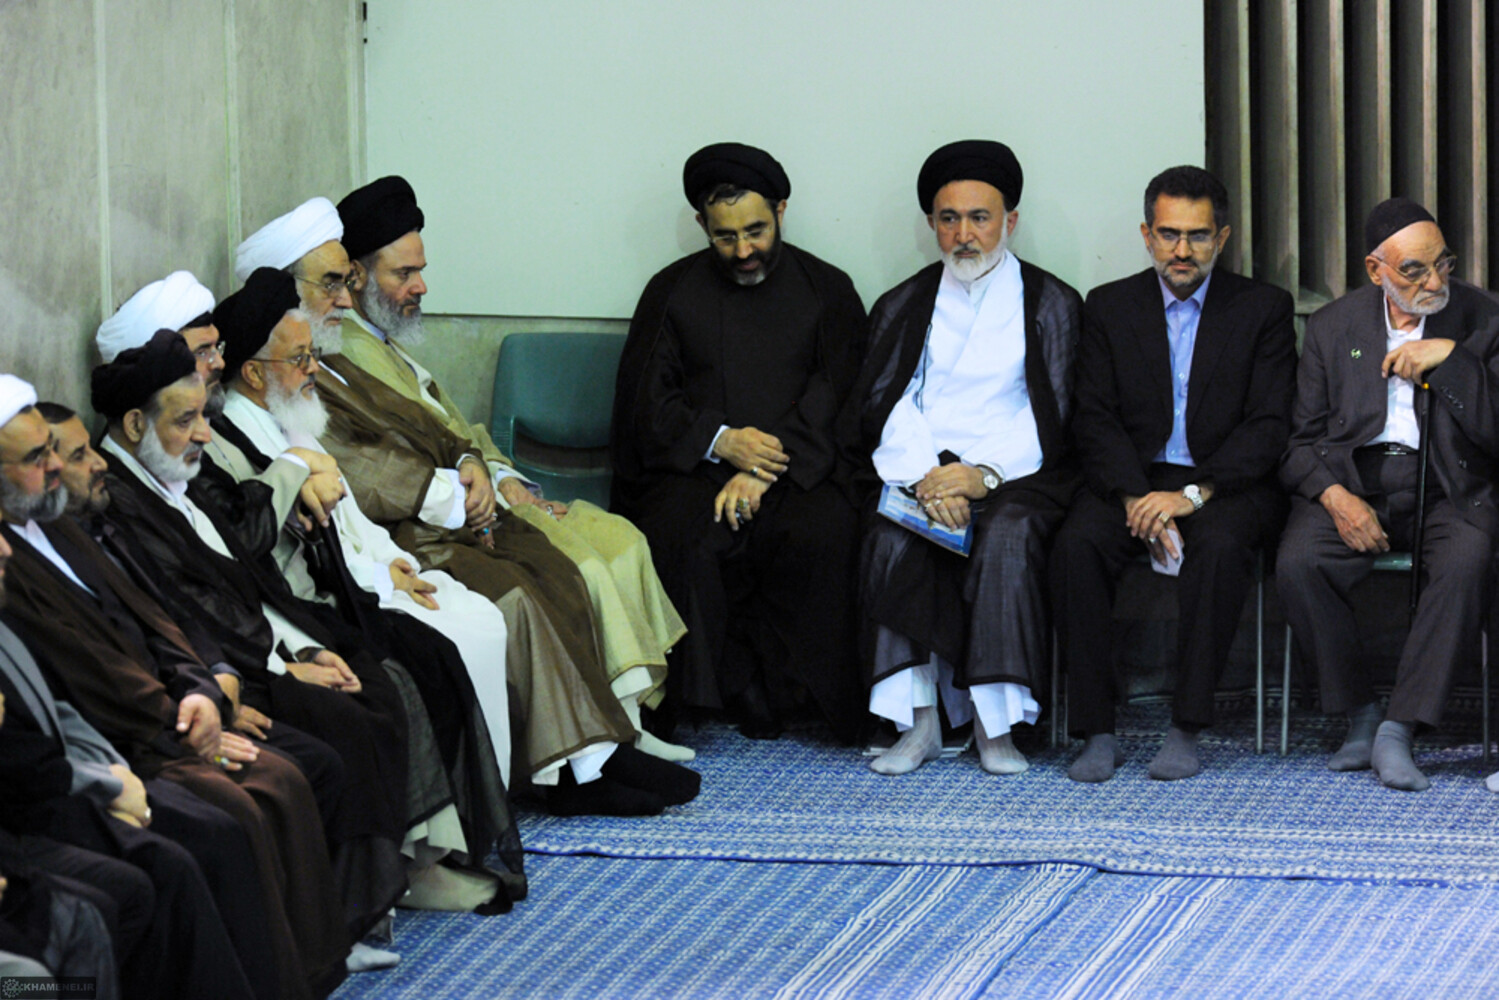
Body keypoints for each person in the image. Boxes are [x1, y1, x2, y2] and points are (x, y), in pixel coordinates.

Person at [301, 184, 698, 815]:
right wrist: (465, 485)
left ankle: (613, 736)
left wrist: (487, 468)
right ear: (356, 274)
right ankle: (576, 766)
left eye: (420, 270)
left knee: (598, 552)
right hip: (413, 529)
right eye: (404, 273)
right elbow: (372, 466)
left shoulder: (371, 343)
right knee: (544, 580)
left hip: (462, 500)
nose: (421, 286)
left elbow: (447, 431)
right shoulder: (333, 354)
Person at [0, 374, 349, 999]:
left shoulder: (57, 523)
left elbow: (157, 616)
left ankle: (307, 971)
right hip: (123, 744)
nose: (56, 468)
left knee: (291, 773)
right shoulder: (12, 563)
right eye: (36, 458)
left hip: (150, 726)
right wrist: (170, 731)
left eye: (56, 451)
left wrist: (203, 689)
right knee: (220, 828)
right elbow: (78, 679)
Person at [842, 140, 1081, 775]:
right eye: (949, 219)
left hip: (1017, 475)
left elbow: (1053, 410)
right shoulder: (903, 303)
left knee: (1007, 537)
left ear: (1010, 221)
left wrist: (982, 476)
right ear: (931, 224)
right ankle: (918, 725)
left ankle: (992, 728)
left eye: (979, 218)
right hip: (922, 472)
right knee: (891, 536)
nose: (964, 235)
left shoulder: (1052, 303)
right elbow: (887, 401)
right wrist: (929, 479)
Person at [1051, 165, 1297, 783]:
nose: (1182, 250)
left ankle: (1186, 726)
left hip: (1225, 483)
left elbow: (1269, 424)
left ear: (1223, 237)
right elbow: (1094, 417)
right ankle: (1096, 730)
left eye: (1198, 235)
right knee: (1076, 545)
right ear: (1147, 235)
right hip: (1132, 479)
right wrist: (1138, 496)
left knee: (1219, 549)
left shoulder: (1263, 308)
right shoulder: (1108, 306)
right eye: (1168, 234)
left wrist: (1192, 494)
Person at [613, 143, 866, 740]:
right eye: (725, 237)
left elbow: (839, 396)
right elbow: (647, 403)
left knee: (823, 531)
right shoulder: (670, 291)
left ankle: (795, 693)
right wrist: (720, 441)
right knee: (679, 533)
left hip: (800, 467)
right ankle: (716, 692)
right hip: (694, 468)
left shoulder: (828, 289)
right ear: (702, 225)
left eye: (756, 231)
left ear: (781, 211)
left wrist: (761, 468)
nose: (744, 251)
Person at [1278, 197, 1499, 792]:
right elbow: (1300, 441)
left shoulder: (1484, 317)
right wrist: (1334, 496)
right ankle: (1360, 712)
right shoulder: (1333, 326)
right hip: (1355, 481)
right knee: (1299, 562)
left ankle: (1400, 727)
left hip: (1450, 483)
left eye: (1443, 263)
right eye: (1414, 271)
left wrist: (1451, 359)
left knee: (1469, 558)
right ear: (1376, 270)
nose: (1436, 282)